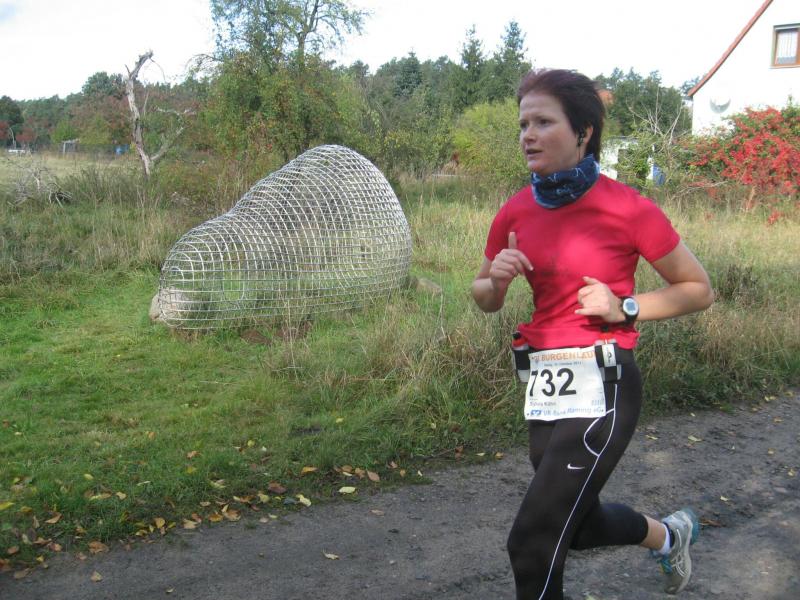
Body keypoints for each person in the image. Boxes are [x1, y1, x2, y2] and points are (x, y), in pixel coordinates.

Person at [471, 69, 714, 600]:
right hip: (546, 384)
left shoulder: (627, 207)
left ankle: (669, 535)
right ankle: (669, 535)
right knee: (574, 527)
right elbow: (484, 297)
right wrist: (496, 281)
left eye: (543, 123)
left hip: (605, 382)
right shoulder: (516, 209)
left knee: (532, 543)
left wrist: (624, 306)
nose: (528, 135)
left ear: (583, 132)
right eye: (523, 124)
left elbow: (698, 289)